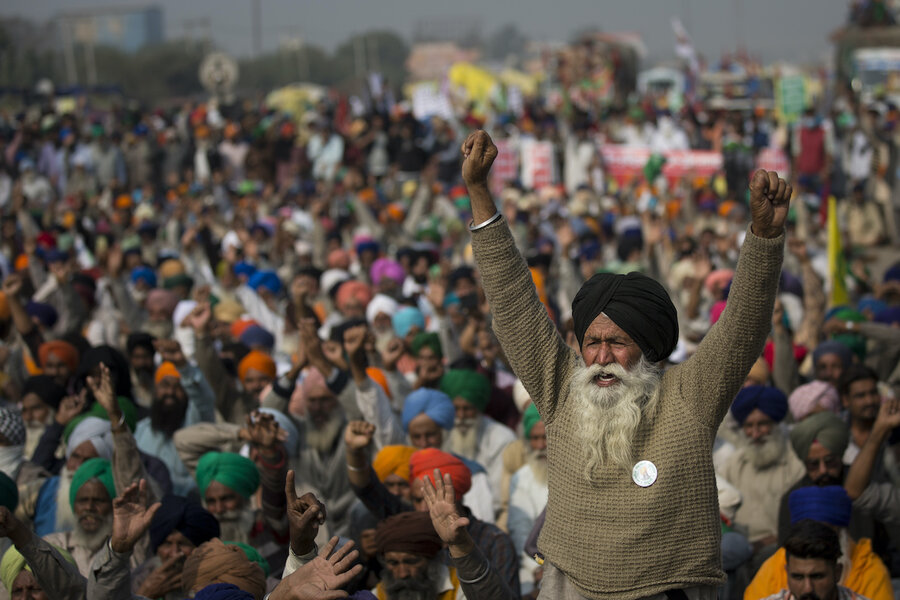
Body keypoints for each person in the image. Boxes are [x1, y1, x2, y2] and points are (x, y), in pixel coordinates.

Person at [461, 129, 792, 598]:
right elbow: (513, 302)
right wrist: (478, 191)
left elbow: (743, 327)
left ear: (650, 348)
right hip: (570, 584)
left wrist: (764, 236)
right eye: (592, 342)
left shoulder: (689, 394)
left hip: (668, 589)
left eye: (617, 343)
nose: (601, 358)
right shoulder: (560, 388)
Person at [747, 487, 892, 600]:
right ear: (787, 572)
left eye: (817, 577)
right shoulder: (772, 568)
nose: (807, 589)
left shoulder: (869, 568)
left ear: (837, 572)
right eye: (797, 577)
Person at [719, 385, 805, 562]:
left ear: (776, 424)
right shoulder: (733, 465)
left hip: (782, 549)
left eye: (763, 424)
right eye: (749, 426)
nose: (755, 434)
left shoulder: (796, 465)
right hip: (739, 551)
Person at [440, 368, 516, 505]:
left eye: (467, 409)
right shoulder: (443, 432)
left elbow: (498, 494)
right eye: (456, 409)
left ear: (478, 408)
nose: (461, 416)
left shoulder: (501, 438)